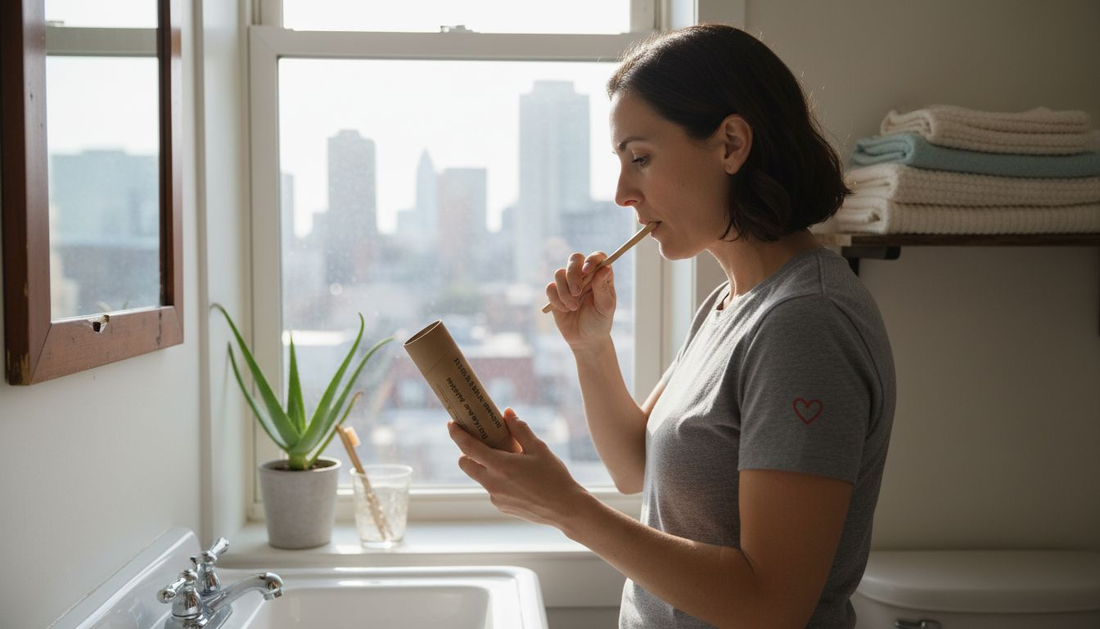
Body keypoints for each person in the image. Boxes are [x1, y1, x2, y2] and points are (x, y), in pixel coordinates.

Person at [446, 24, 896, 629]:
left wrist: (568, 509)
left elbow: (772, 605)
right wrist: (591, 348)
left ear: (731, 144)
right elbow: (637, 465)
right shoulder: (729, 304)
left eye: (641, 158)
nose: (621, 193)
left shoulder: (803, 324)